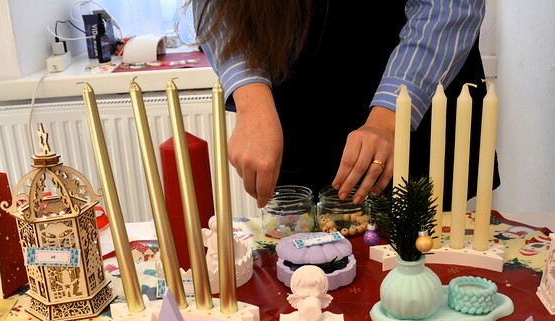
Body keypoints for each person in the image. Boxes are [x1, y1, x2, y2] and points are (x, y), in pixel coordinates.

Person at [193, 0, 499, 209]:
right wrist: (253, 102)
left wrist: (389, 118)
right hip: (296, 100)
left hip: (420, 99)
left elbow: (448, 7)